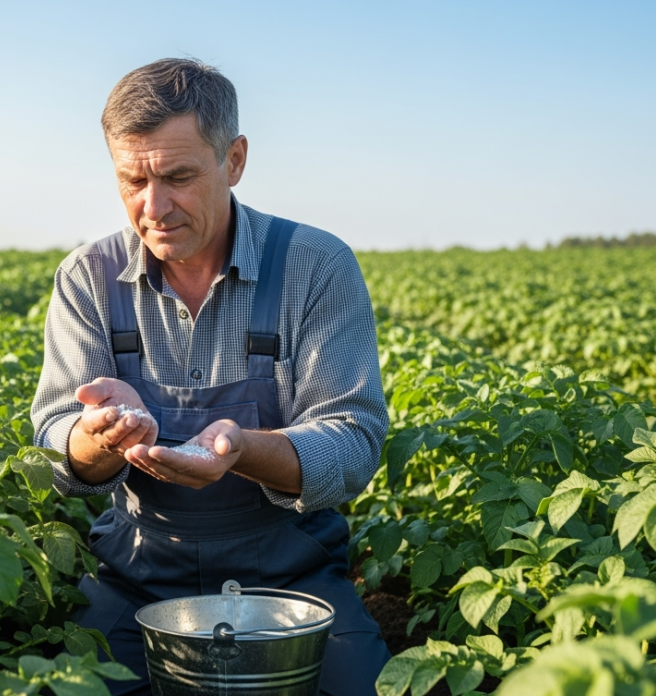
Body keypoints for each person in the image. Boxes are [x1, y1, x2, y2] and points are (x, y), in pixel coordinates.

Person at [30, 58, 391, 696]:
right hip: (137, 571)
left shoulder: (315, 266)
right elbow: (56, 447)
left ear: (235, 160)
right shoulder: (87, 277)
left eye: (179, 177)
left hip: (291, 572)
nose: (154, 206)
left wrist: (243, 451)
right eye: (133, 180)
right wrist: (99, 434)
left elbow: (353, 440)